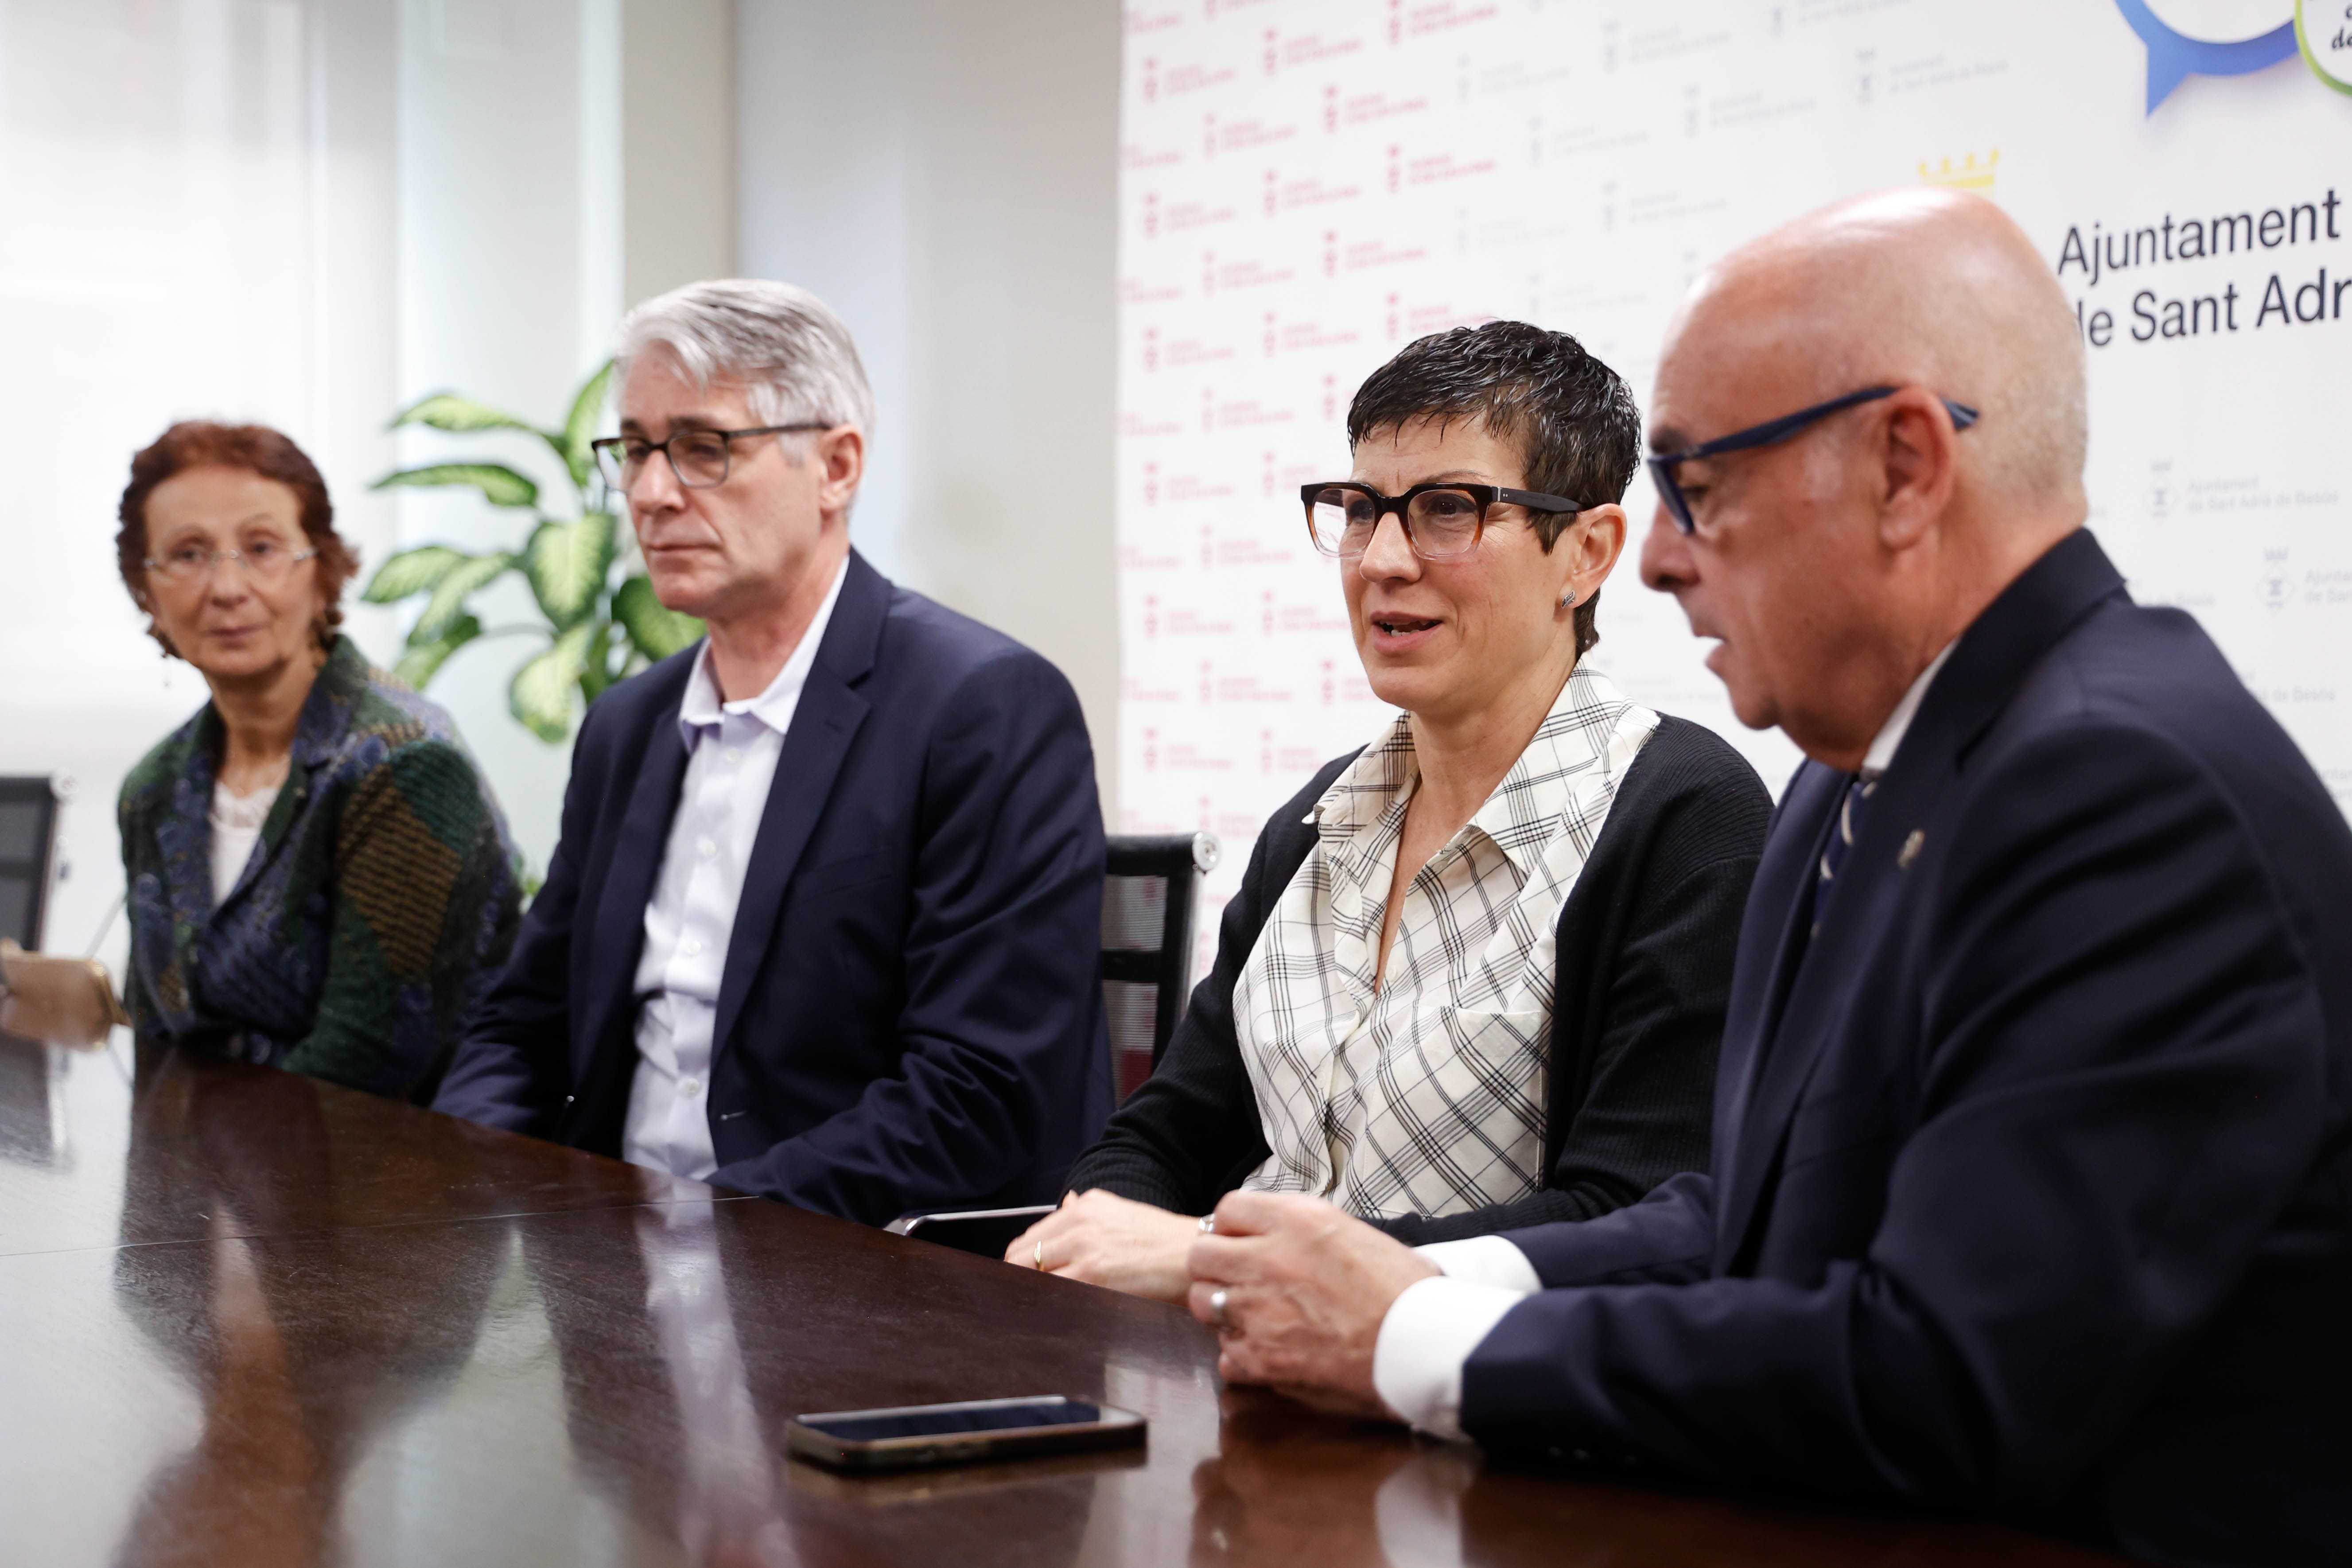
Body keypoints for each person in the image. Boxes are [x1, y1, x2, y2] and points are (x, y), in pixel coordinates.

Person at [1179, 189, 2352, 1566]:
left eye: (1699, 485)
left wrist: (1411, 1338)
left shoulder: (2118, 787)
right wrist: (1421, 1274)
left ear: (1904, 468)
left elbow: (1936, 1375)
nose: (1657, 556)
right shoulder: (1847, 778)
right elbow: (1748, 1218)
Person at [1011, 322, 1770, 1302]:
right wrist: (1094, 1246)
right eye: (1362, 510)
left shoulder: (1685, 817)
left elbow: (1635, 1220)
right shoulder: (1316, 824)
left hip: (1470, 1380)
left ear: (1586, 553)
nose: (1383, 559)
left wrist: (1213, 1259)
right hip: (1225, 1355)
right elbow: (1161, 1140)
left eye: (1449, 510)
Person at [434, 280, 1112, 1226]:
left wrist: (687, 1225)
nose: (651, 493)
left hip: (848, 1261)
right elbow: (525, 1025)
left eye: (703, 448)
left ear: (836, 467)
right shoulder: (628, 726)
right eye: (635, 450)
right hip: (613, 1256)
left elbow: (977, 1094)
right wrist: (463, 1178)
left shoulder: (982, 709)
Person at [113, 421, 522, 1101]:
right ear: (145, 590)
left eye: (261, 548)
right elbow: (155, 1043)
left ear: (322, 569)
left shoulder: (406, 765)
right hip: (197, 1161)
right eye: (188, 554)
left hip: (387, 1160)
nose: (227, 587)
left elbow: (367, 1065)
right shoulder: (154, 788)